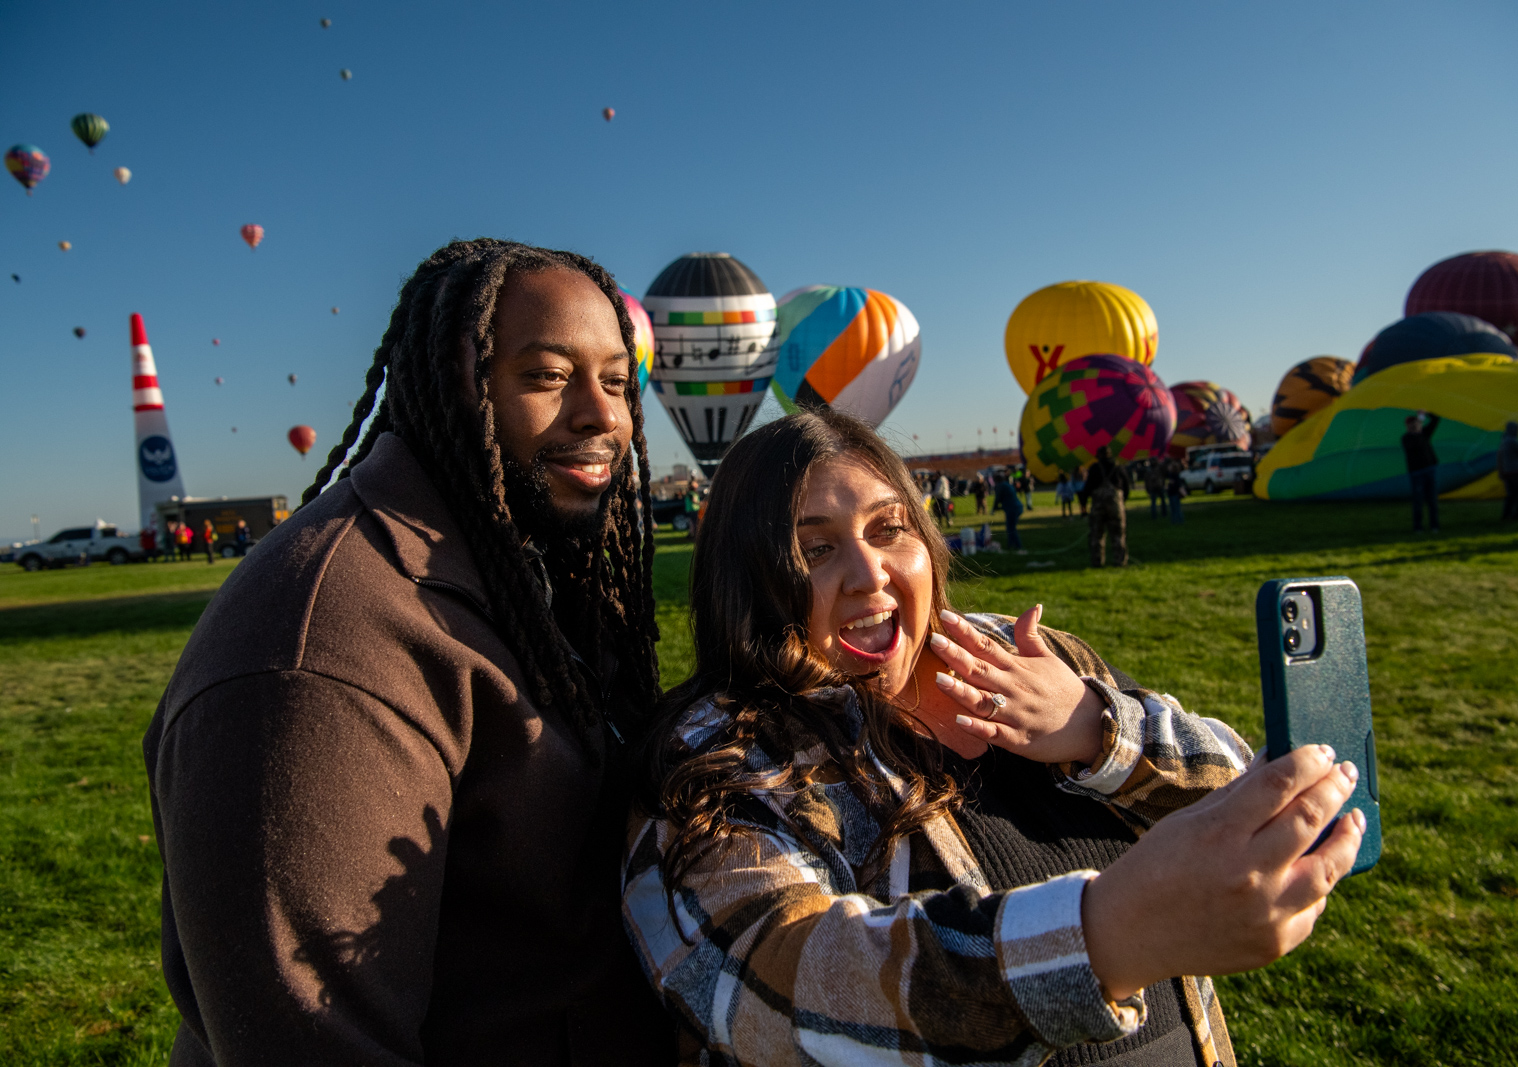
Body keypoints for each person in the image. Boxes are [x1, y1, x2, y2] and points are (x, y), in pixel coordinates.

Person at [625, 409, 1364, 1067]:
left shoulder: (1020, 654)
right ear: (747, 579)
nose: (869, 573)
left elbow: (1238, 789)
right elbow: (772, 989)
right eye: (815, 550)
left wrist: (1097, 728)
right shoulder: (722, 758)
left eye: (890, 528)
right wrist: (1111, 935)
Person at [143, 240, 674, 1066]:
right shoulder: (319, 647)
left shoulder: (513, 562)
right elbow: (315, 1038)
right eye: (546, 375)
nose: (603, 415)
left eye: (616, 379)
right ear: (460, 382)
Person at [1083, 446, 1132, 567]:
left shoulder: (1095, 468)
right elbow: (1126, 487)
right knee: (1118, 534)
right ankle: (1120, 561)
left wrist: (1083, 504)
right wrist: (1121, 501)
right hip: (1115, 507)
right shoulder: (1118, 467)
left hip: (1098, 507)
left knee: (1096, 535)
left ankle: (1097, 561)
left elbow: (1087, 488)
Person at [1402, 411, 1441, 533]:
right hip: (1417, 473)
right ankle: (1418, 526)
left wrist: (1425, 413)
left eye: (1416, 423)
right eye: (1412, 424)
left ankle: (1434, 525)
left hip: (1429, 470)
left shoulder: (1424, 434)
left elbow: (1436, 420)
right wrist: (1418, 429)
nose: (1415, 425)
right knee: (1418, 501)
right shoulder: (1407, 438)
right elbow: (1416, 445)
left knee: (1432, 500)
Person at [1497, 421, 1518, 521]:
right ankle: (1516, 515)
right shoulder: (1512, 441)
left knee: (1511, 495)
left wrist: (1501, 471)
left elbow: (1500, 458)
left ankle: (1506, 515)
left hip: (1508, 472)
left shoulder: (1504, 441)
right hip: (1516, 472)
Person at [992, 469, 1025, 549]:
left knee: (1011, 528)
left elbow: (998, 498)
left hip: (1012, 508)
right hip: (1017, 507)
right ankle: (1010, 545)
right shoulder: (1006, 484)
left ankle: (1018, 546)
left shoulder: (1000, 486)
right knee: (1010, 527)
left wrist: (994, 508)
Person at [1165, 456, 1187, 525]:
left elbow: (1175, 485)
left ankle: (1176, 521)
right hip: (1174, 494)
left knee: (1175, 509)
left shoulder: (1174, 476)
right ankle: (1178, 521)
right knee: (1176, 508)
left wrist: (1169, 486)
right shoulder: (1174, 475)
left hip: (1174, 494)